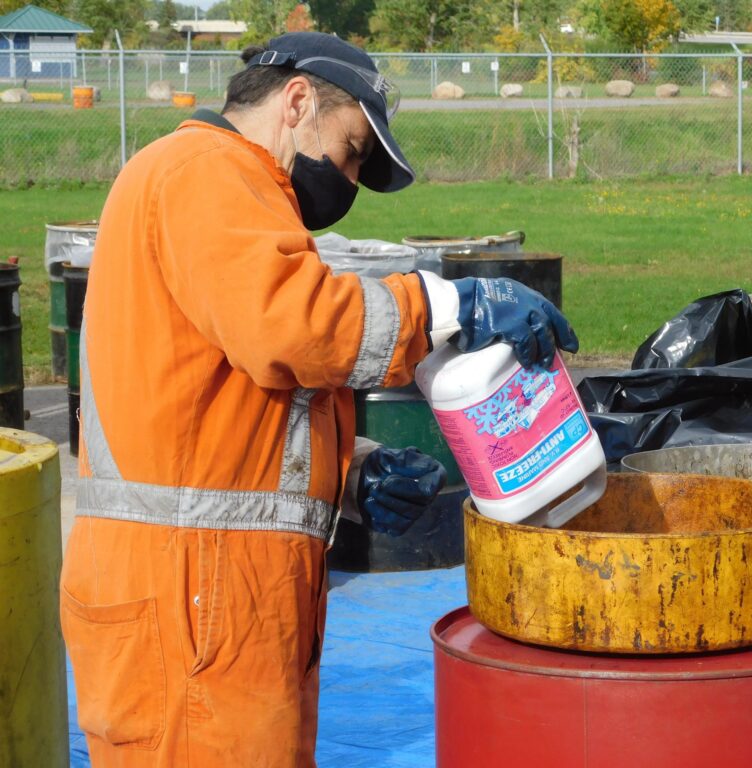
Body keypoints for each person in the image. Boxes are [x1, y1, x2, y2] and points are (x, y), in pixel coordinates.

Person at [59, 31, 577, 767]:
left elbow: (223, 394)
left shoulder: (218, 187)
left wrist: (352, 471)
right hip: (191, 598)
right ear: (297, 100)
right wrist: (447, 304)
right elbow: (289, 326)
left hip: (211, 594)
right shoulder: (205, 172)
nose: (351, 177)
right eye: (354, 148)